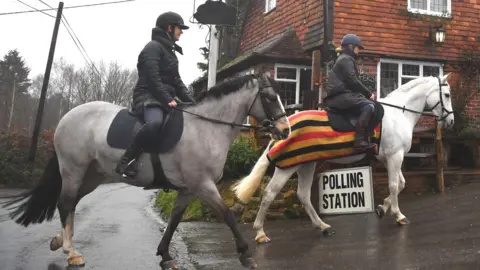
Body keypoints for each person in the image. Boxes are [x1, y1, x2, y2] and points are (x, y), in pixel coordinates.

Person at [116, 11, 196, 179]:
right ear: (169, 28)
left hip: (163, 98)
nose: (181, 32)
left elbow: (178, 83)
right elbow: (153, 80)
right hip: (147, 97)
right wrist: (168, 100)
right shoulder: (152, 48)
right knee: (155, 123)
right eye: (179, 28)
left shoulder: (171, 53)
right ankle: (126, 161)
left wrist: (194, 103)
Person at [322, 33, 376, 152]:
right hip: (340, 97)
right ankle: (359, 140)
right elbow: (352, 81)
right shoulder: (346, 59)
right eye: (358, 48)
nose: (358, 51)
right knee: (369, 106)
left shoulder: (344, 59)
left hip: (341, 96)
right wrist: (368, 94)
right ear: (351, 47)